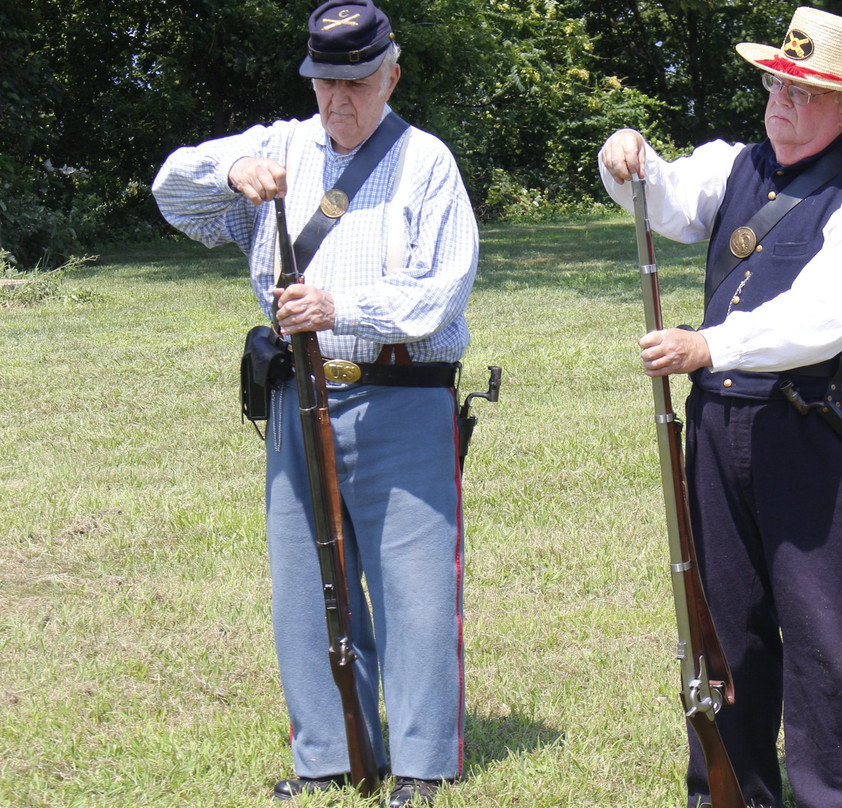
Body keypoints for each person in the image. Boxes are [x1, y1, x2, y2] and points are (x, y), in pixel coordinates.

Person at [153, 1, 478, 804]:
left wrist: (340, 308)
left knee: (416, 588)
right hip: (300, 400)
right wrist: (229, 174)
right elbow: (169, 192)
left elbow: (441, 293)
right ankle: (329, 756)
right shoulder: (281, 146)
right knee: (305, 586)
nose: (340, 100)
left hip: (400, 393)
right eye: (326, 82)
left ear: (391, 75)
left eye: (358, 82)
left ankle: (421, 763)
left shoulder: (426, 162)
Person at [599, 7, 842, 808]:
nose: (782, 100)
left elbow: (825, 316)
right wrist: (626, 155)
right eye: (778, 81)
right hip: (718, 432)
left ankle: (835, 799)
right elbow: (662, 199)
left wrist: (711, 347)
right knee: (725, 631)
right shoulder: (733, 166)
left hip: (818, 434)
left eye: (804, 92)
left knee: (825, 636)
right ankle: (731, 792)